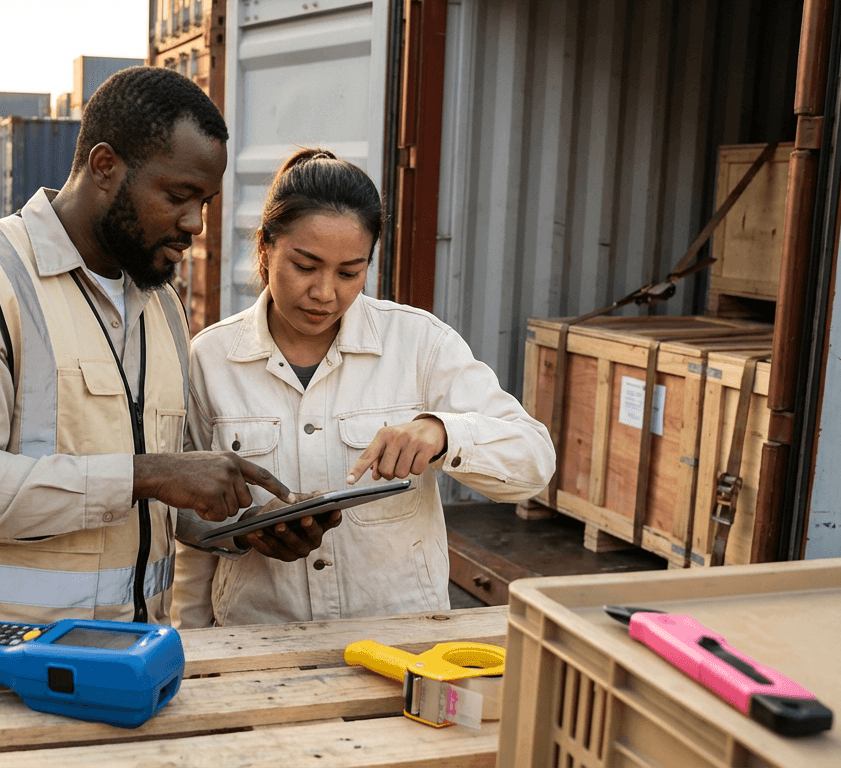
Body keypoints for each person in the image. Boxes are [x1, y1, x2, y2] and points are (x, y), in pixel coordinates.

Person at [0, 67, 312, 639]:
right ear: (105, 166)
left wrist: (244, 526)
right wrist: (148, 474)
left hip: (128, 658)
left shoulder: (160, 304)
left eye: (206, 202)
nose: (195, 223)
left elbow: (151, 499)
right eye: (178, 197)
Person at [173, 148, 557, 629]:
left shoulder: (420, 344)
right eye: (306, 266)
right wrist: (240, 536)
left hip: (402, 639)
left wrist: (442, 433)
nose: (325, 292)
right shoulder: (209, 360)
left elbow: (534, 463)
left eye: (349, 272)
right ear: (266, 248)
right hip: (260, 639)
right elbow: (185, 524)